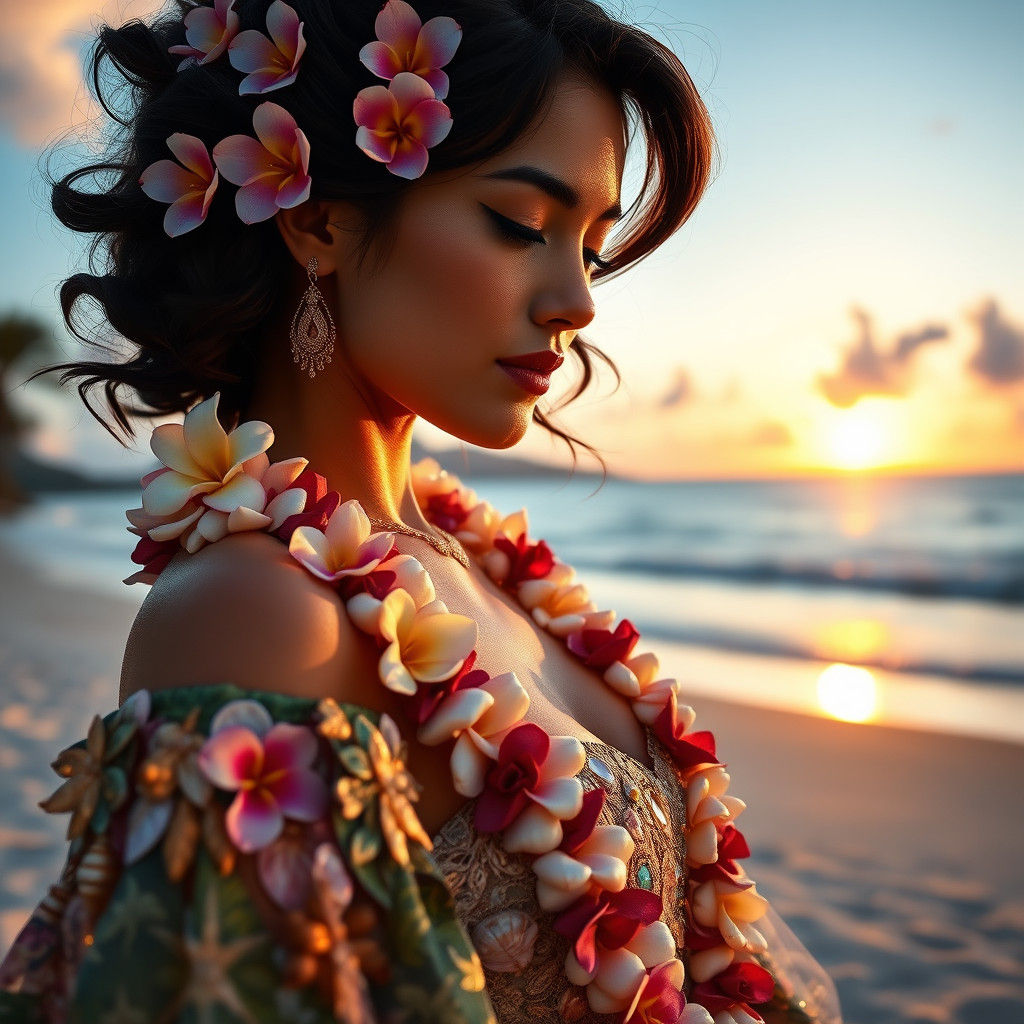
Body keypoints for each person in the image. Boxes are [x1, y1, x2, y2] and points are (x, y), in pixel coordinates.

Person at [0, 0, 843, 1021]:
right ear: (315, 218)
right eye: (521, 224)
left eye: (591, 243)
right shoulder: (257, 619)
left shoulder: (475, 559)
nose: (577, 301)